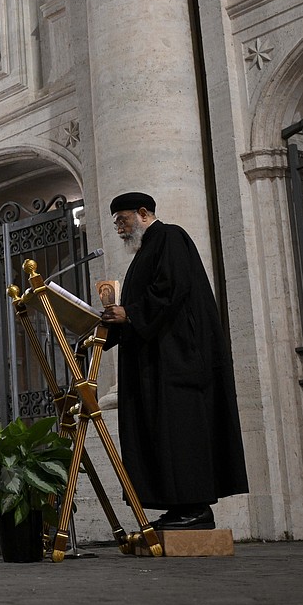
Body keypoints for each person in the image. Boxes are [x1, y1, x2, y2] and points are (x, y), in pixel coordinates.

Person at [100, 192, 249, 530]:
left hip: (178, 359)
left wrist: (131, 313)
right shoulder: (145, 251)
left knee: (181, 432)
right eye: (116, 224)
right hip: (157, 359)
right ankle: (178, 506)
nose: (119, 229)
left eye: (122, 220)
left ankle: (196, 508)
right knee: (161, 433)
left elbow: (171, 289)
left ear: (142, 213)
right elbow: (142, 306)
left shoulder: (170, 236)